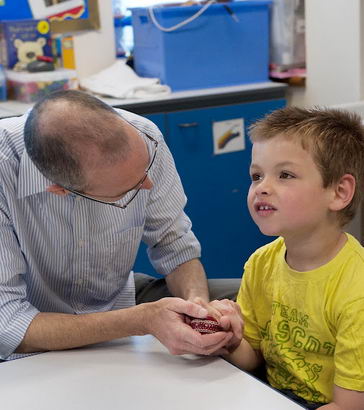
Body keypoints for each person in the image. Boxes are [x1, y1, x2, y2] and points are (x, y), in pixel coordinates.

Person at [0, 89, 242, 361]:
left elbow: (174, 243)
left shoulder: (145, 136)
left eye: (146, 171)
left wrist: (198, 306)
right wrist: (142, 320)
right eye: (129, 191)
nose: (147, 185)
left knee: (256, 302)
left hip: (120, 298)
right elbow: (9, 326)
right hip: (38, 332)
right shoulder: (4, 167)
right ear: (59, 190)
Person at [225, 107, 364, 409]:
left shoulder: (357, 291)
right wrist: (227, 337)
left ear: (339, 192)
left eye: (284, 175)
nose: (262, 187)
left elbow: (349, 405)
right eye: (256, 175)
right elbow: (252, 356)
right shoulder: (261, 263)